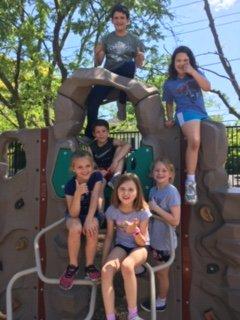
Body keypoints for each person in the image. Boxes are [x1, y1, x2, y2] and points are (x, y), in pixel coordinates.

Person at [85, 3, 145, 138]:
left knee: (129, 65)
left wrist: (140, 58)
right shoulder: (106, 38)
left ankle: (122, 103)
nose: (119, 21)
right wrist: (98, 52)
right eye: (116, 18)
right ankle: (90, 134)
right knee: (92, 100)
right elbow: (99, 62)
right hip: (108, 75)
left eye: (122, 18)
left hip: (126, 75)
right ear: (112, 20)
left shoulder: (134, 40)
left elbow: (139, 64)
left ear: (127, 21)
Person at [162, 46, 211, 205]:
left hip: (202, 113)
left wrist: (193, 71)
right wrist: (169, 118)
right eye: (178, 60)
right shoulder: (170, 83)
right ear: (173, 62)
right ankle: (190, 182)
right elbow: (169, 102)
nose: (182, 63)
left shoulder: (195, 74)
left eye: (185, 60)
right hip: (185, 112)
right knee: (194, 141)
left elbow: (207, 87)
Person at [101, 173, 151, 320]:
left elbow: (142, 242)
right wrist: (104, 260)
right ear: (116, 191)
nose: (126, 193)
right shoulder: (112, 210)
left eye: (130, 190)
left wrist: (134, 231)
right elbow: (109, 237)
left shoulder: (142, 211)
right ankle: (110, 317)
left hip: (140, 247)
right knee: (106, 271)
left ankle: (132, 314)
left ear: (137, 192)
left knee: (128, 265)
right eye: (122, 189)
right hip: (121, 245)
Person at [140, 158, 181, 313]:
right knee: (155, 269)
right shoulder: (153, 190)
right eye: (157, 170)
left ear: (170, 174)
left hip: (165, 242)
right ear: (152, 173)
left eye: (164, 171)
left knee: (162, 274)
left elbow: (175, 221)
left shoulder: (171, 191)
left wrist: (156, 208)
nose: (160, 173)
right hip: (155, 239)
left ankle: (161, 301)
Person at [59, 151, 103, 290]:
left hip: (92, 213)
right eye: (80, 167)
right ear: (73, 168)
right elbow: (73, 213)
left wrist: (89, 220)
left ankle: (89, 265)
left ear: (92, 166)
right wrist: (78, 194)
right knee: (75, 227)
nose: (84, 170)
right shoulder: (70, 185)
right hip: (75, 216)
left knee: (93, 226)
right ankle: (73, 266)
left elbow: (95, 197)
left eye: (87, 166)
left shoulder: (96, 177)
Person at [88, 119, 131, 190]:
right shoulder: (91, 146)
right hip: (101, 171)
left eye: (104, 131)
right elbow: (91, 163)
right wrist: (99, 171)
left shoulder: (112, 141)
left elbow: (128, 145)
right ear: (94, 134)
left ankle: (116, 177)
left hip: (114, 168)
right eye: (98, 132)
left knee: (120, 147)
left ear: (108, 132)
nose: (101, 134)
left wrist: (115, 161)